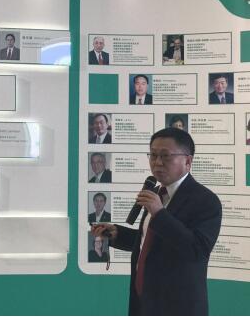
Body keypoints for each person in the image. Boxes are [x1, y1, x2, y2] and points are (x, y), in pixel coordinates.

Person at [92, 127, 222, 315]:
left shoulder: (206, 200)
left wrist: (159, 214)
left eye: (165, 156)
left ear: (187, 161)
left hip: (178, 306)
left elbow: (197, 250)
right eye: (153, 155)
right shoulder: (156, 193)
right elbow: (151, 241)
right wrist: (117, 234)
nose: (157, 162)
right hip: (143, 301)